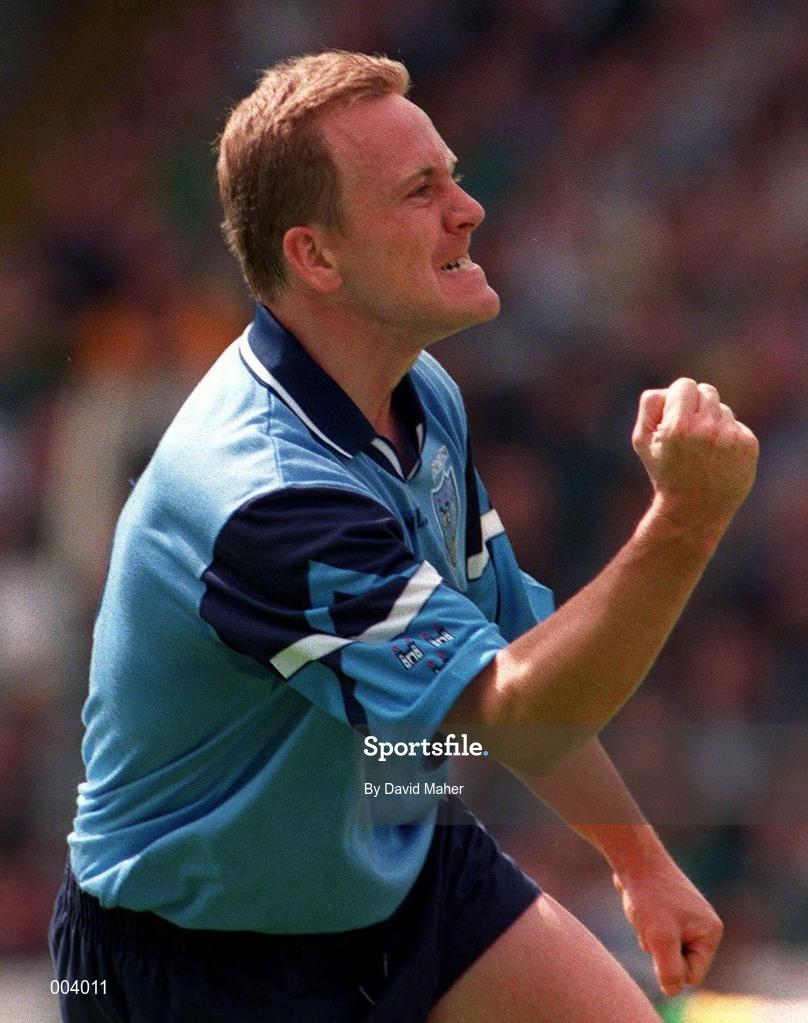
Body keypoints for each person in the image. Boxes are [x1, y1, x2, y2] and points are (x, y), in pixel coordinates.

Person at [49, 51, 759, 1022]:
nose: (467, 209)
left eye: (453, 176)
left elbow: (520, 665)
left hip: (399, 865)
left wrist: (637, 862)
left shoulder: (416, 393)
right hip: (199, 957)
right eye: (420, 191)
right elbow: (510, 707)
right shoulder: (266, 497)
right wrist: (685, 520)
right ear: (316, 257)